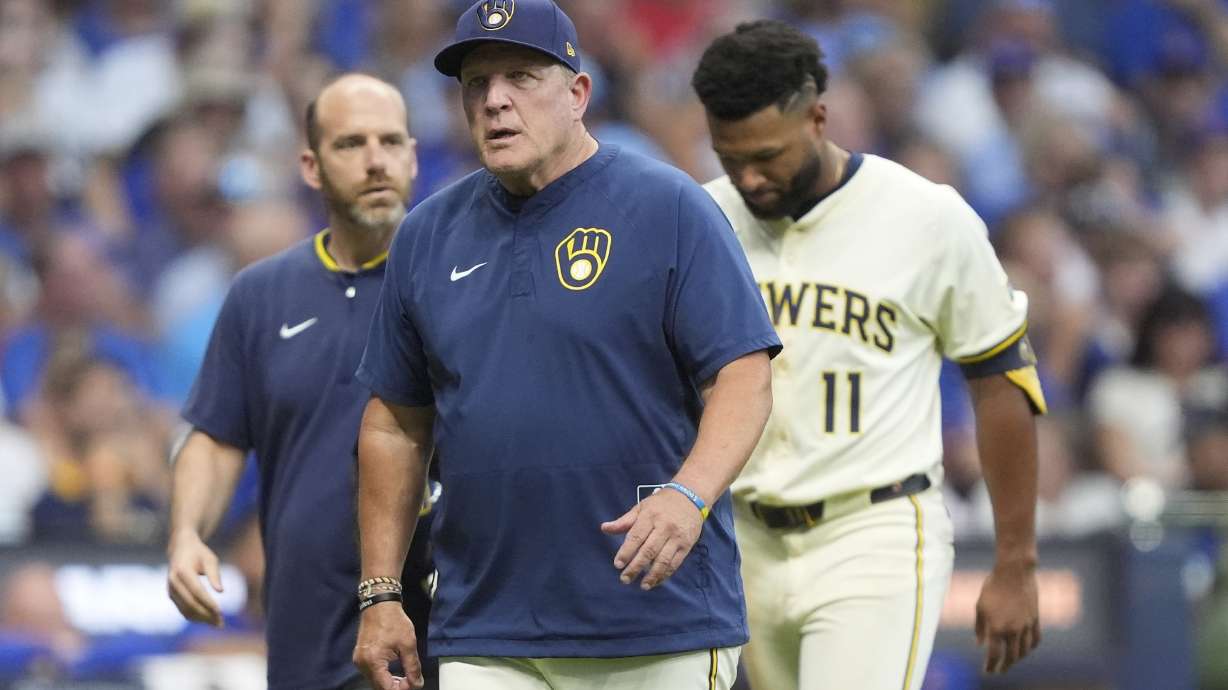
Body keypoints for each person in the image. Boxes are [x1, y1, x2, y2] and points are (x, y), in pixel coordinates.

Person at [350, 2, 781, 689]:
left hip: (651, 620)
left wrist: (689, 496)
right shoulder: (427, 234)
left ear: (578, 94)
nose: (494, 101)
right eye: (476, 84)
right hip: (486, 627)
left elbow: (743, 376)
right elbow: (394, 423)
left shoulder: (669, 206)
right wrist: (380, 593)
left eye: (520, 77)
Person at [692, 21, 1045, 690]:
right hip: (738, 538)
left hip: (872, 530)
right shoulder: (700, 218)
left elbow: (1001, 381)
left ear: (819, 116)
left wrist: (1016, 562)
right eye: (729, 156)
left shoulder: (926, 217)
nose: (750, 177)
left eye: (767, 154)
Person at [165, 73, 437, 690]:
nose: (375, 162)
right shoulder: (261, 295)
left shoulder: (452, 283)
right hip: (306, 637)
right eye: (351, 144)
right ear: (311, 166)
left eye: (391, 142)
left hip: (435, 631)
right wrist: (186, 535)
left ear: (413, 157)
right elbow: (214, 435)